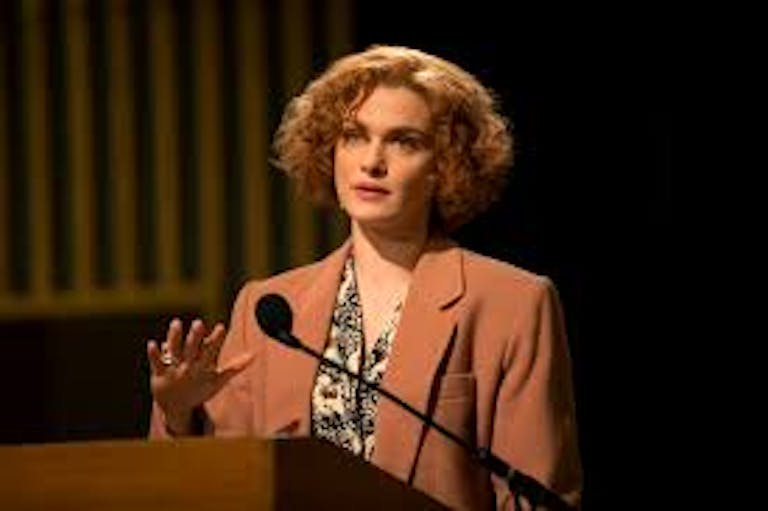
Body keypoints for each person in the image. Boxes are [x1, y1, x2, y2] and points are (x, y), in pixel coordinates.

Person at [147, 45, 582, 510]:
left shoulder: (512, 302)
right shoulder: (269, 307)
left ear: (446, 165)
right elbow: (219, 487)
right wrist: (179, 411)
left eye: (404, 141)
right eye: (354, 136)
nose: (372, 161)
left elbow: (538, 498)